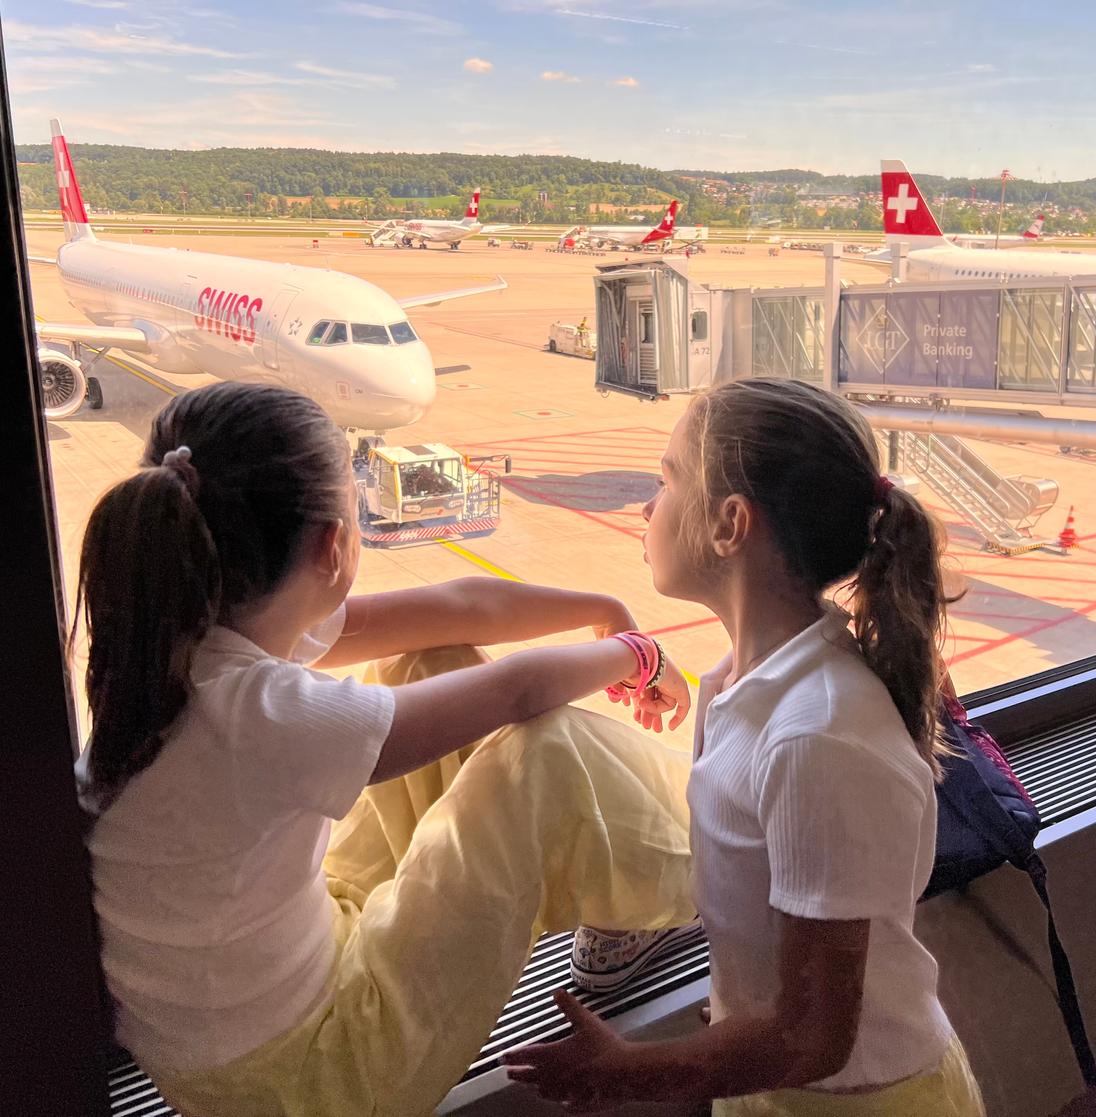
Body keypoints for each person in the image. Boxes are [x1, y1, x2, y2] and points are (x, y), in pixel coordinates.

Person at [73, 381, 697, 1117]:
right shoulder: (264, 717)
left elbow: (458, 609)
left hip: (256, 1020)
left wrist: (601, 610)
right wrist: (636, 656)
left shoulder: (181, 641)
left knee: (421, 665)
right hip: (316, 1080)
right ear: (334, 546)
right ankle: (706, 873)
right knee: (550, 758)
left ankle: (632, 879)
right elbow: (518, 694)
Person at [506, 378, 985, 1116]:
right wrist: (741, 1015)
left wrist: (630, 1071)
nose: (647, 505)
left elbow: (815, 1036)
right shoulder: (739, 683)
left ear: (731, 524)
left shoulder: (815, 735)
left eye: (666, 480)